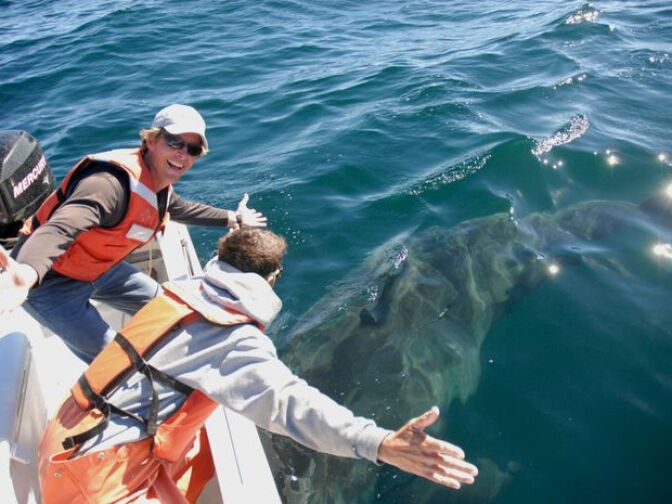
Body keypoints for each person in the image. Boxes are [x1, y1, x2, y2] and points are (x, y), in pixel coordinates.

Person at [37, 228, 478, 502]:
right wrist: (380, 443)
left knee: (204, 448)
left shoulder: (180, 292)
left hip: (66, 435)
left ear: (220, 258)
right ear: (272, 280)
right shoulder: (230, 337)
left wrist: (241, 232)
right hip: (92, 482)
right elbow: (291, 405)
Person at [0, 104, 266, 362]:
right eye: (174, 142)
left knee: (168, 311)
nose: (183, 154)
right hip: (52, 282)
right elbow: (60, 228)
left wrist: (234, 218)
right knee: (117, 362)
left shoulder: (158, 182)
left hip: (100, 268)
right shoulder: (108, 185)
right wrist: (26, 273)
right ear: (151, 140)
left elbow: (180, 208)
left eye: (193, 149)